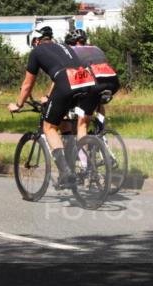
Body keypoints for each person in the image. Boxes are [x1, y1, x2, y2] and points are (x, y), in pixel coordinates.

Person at [8, 26, 95, 187]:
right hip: (87, 82)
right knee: (64, 123)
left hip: (67, 83)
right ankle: (75, 166)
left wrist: (18, 104)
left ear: (35, 41)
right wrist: (50, 98)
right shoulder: (63, 46)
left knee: (49, 128)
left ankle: (65, 173)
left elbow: (28, 84)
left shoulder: (36, 52)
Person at [65, 29, 120, 136]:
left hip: (95, 83)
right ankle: (100, 129)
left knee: (82, 123)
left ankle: (82, 152)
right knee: (97, 101)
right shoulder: (95, 48)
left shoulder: (72, 50)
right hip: (113, 81)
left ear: (72, 42)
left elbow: (68, 74)